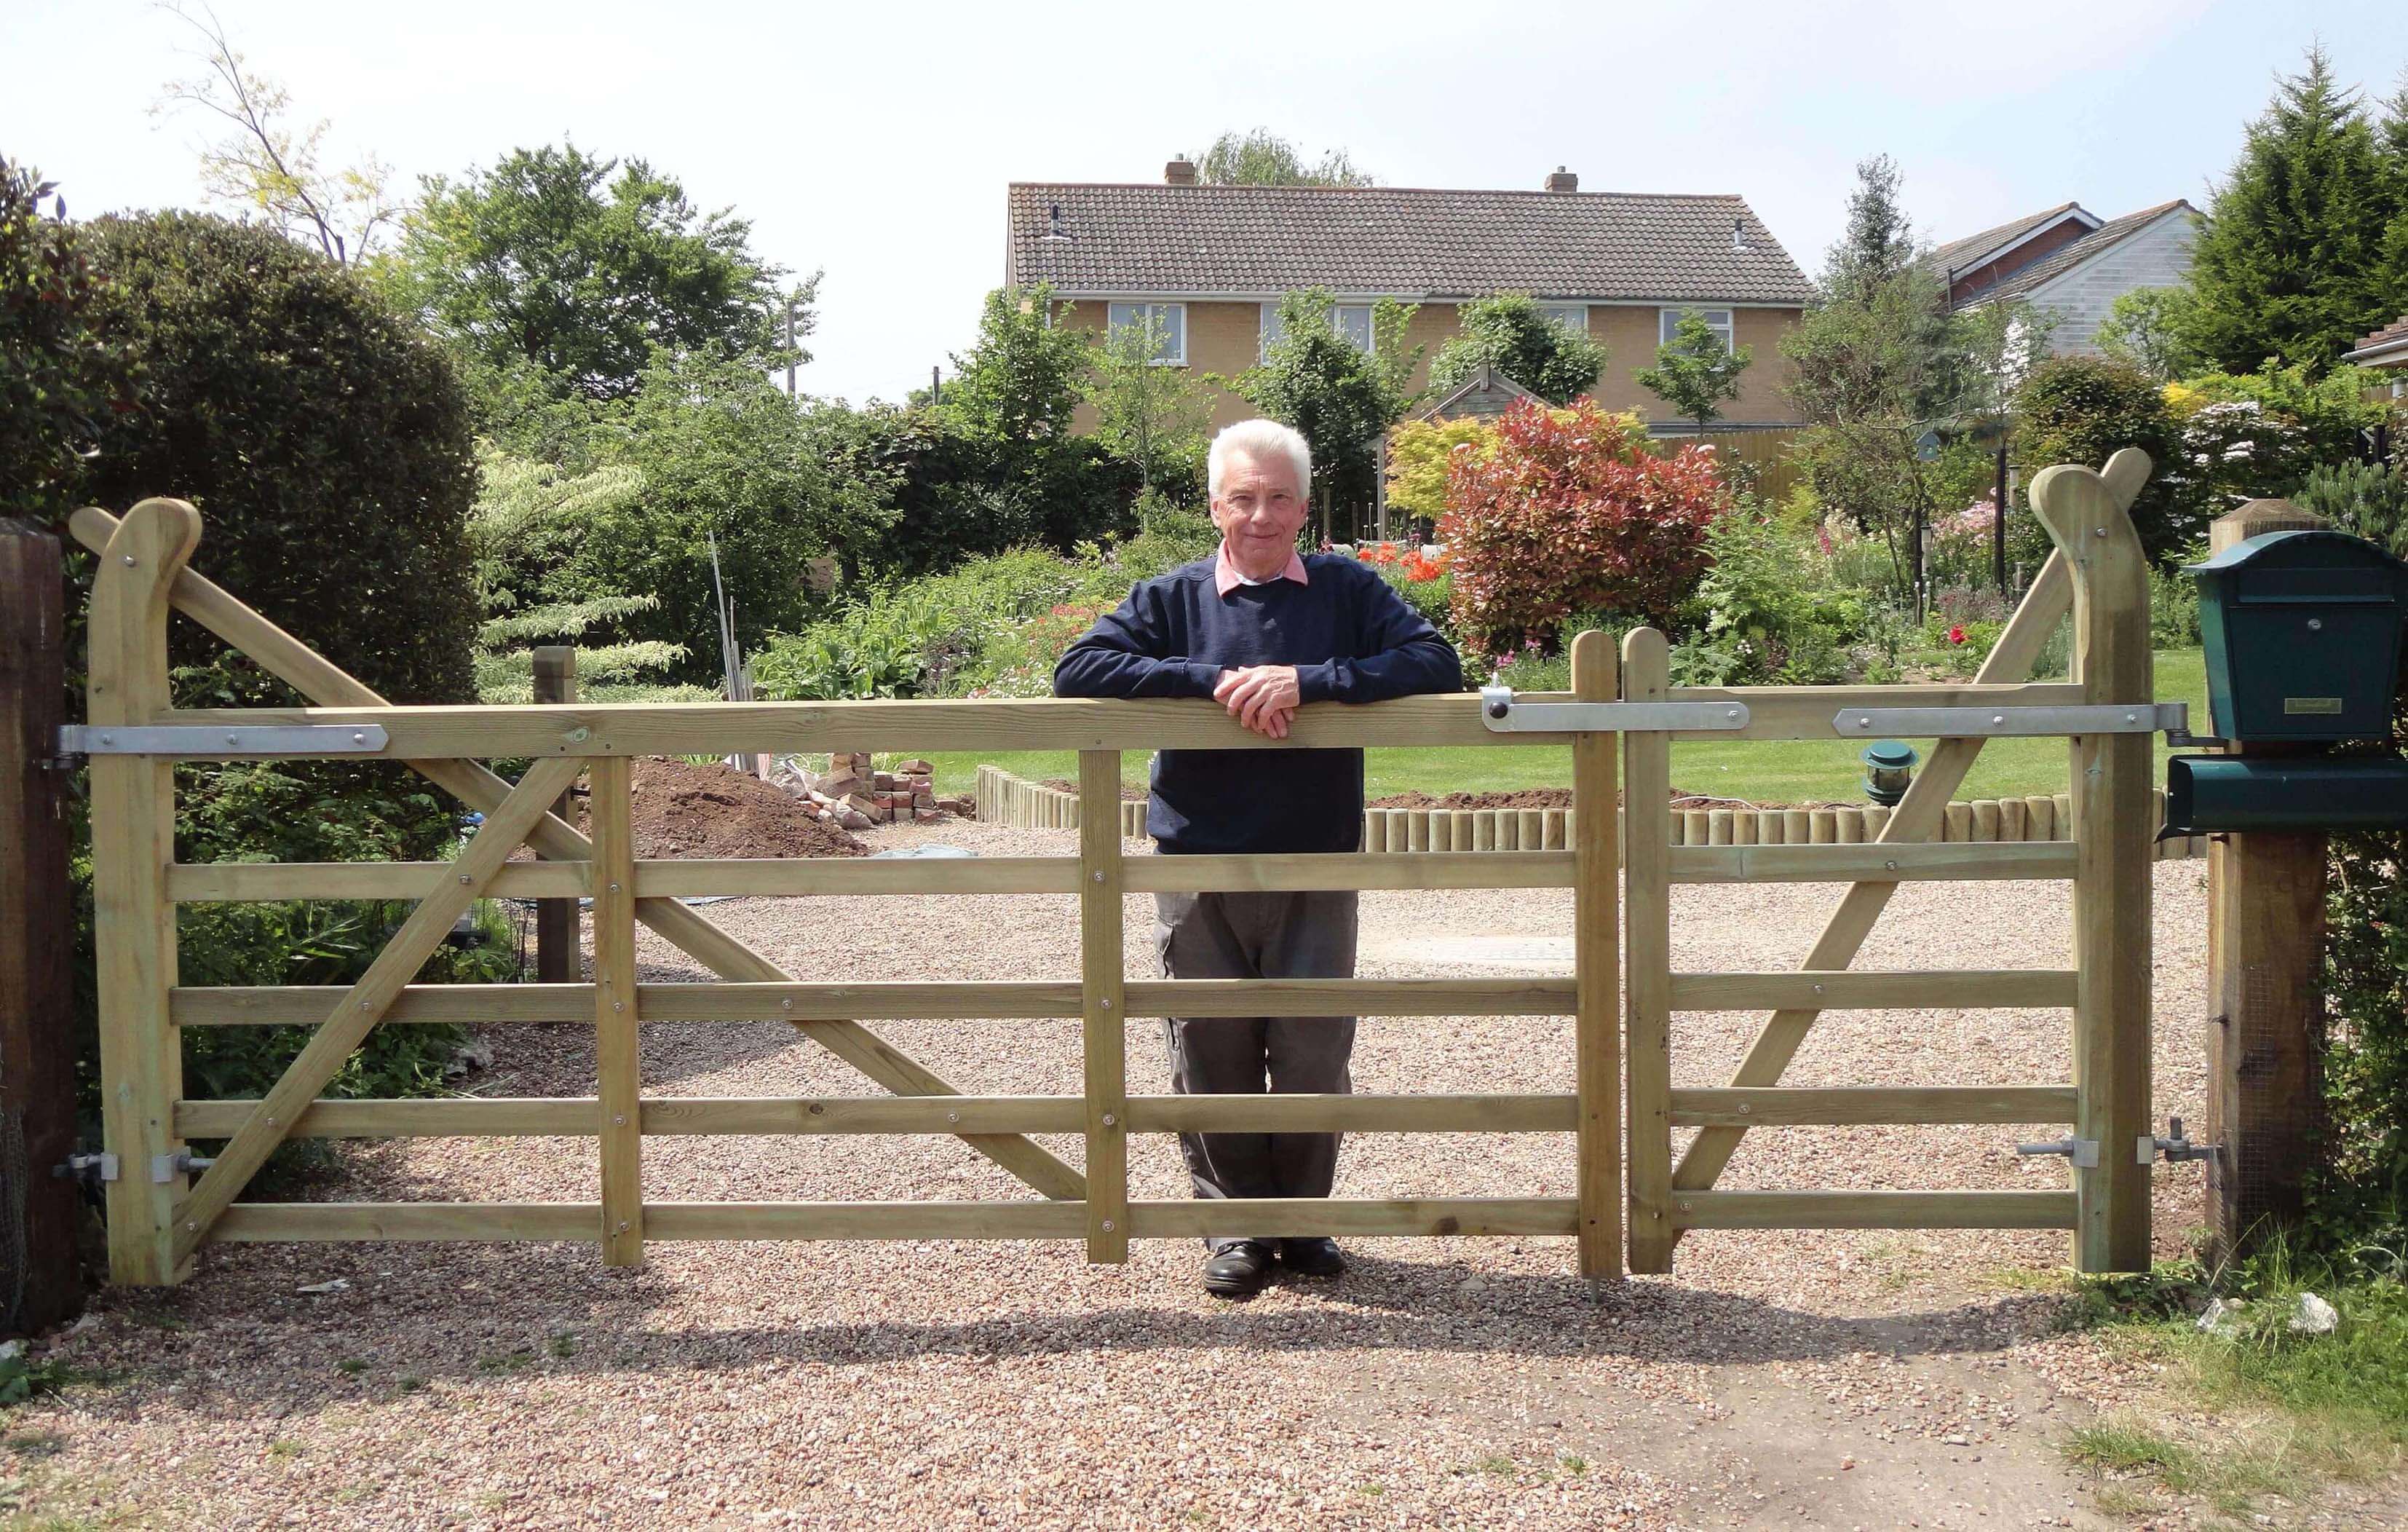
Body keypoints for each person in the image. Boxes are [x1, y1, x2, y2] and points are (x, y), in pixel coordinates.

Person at [1053, 419, 1462, 1298]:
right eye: (1243, 498)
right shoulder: (1170, 598)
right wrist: (1211, 681)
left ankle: (1302, 1218)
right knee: (1210, 1046)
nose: (1261, 515)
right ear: (1214, 507)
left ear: (1304, 509)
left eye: (1279, 498)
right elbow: (1079, 666)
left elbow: (1436, 660)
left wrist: (1309, 681)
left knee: (1313, 1046)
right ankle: (1235, 1227)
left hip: (1314, 858)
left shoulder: (1347, 590)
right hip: (1196, 859)